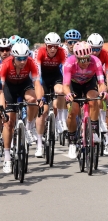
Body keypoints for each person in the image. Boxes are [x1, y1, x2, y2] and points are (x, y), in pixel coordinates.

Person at [1, 43, 44, 173]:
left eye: (25, 57)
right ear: (13, 57)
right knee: (8, 123)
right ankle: (7, 157)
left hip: (24, 85)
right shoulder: (5, 64)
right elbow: (1, 90)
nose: (23, 61)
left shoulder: (31, 62)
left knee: (33, 100)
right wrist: (2, 108)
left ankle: (29, 126)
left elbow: (37, 83)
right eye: (19, 58)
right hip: (8, 88)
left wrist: (40, 99)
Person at [63, 42, 108, 159]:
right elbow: (66, 85)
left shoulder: (96, 62)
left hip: (89, 83)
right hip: (74, 85)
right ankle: (72, 142)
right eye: (82, 60)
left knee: (93, 100)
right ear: (76, 58)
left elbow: (101, 83)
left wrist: (103, 92)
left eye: (87, 59)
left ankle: (93, 130)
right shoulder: (69, 63)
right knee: (73, 111)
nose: (85, 62)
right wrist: (68, 94)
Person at [34, 32, 67, 157]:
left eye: (55, 46)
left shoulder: (62, 52)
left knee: (60, 91)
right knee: (43, 112)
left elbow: (64, 71)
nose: (53, 49)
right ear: (45, 45)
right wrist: (41, 94)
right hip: (42, 78)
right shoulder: (39, 52)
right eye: (50, 46)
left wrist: (66, 86)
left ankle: (60, 120)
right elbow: (38, 73)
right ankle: (38, 144)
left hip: (56, 77)